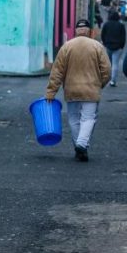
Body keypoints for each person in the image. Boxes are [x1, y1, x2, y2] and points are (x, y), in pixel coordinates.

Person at [45, 19, 112, 162]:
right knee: (88, 118)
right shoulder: (97, 46)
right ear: (89, 31)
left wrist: (51, 91)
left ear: (76, 30)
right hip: (91, 90)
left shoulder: (67, 47)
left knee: (74, 120)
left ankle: (79, 147)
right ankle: (82, 144)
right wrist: (100, 84)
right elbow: (106, 70)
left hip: (71, 90)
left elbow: (57, 71)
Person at [100, 11, 126, 86]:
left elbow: (102, 34)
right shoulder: (121, 25)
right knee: (115, 64)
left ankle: (106, 79)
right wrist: (121, 46)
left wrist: (105, 43)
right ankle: (113, 81)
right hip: (118, 47)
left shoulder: (106, 24)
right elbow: (123, 37)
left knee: (108, 64)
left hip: (108, 46)